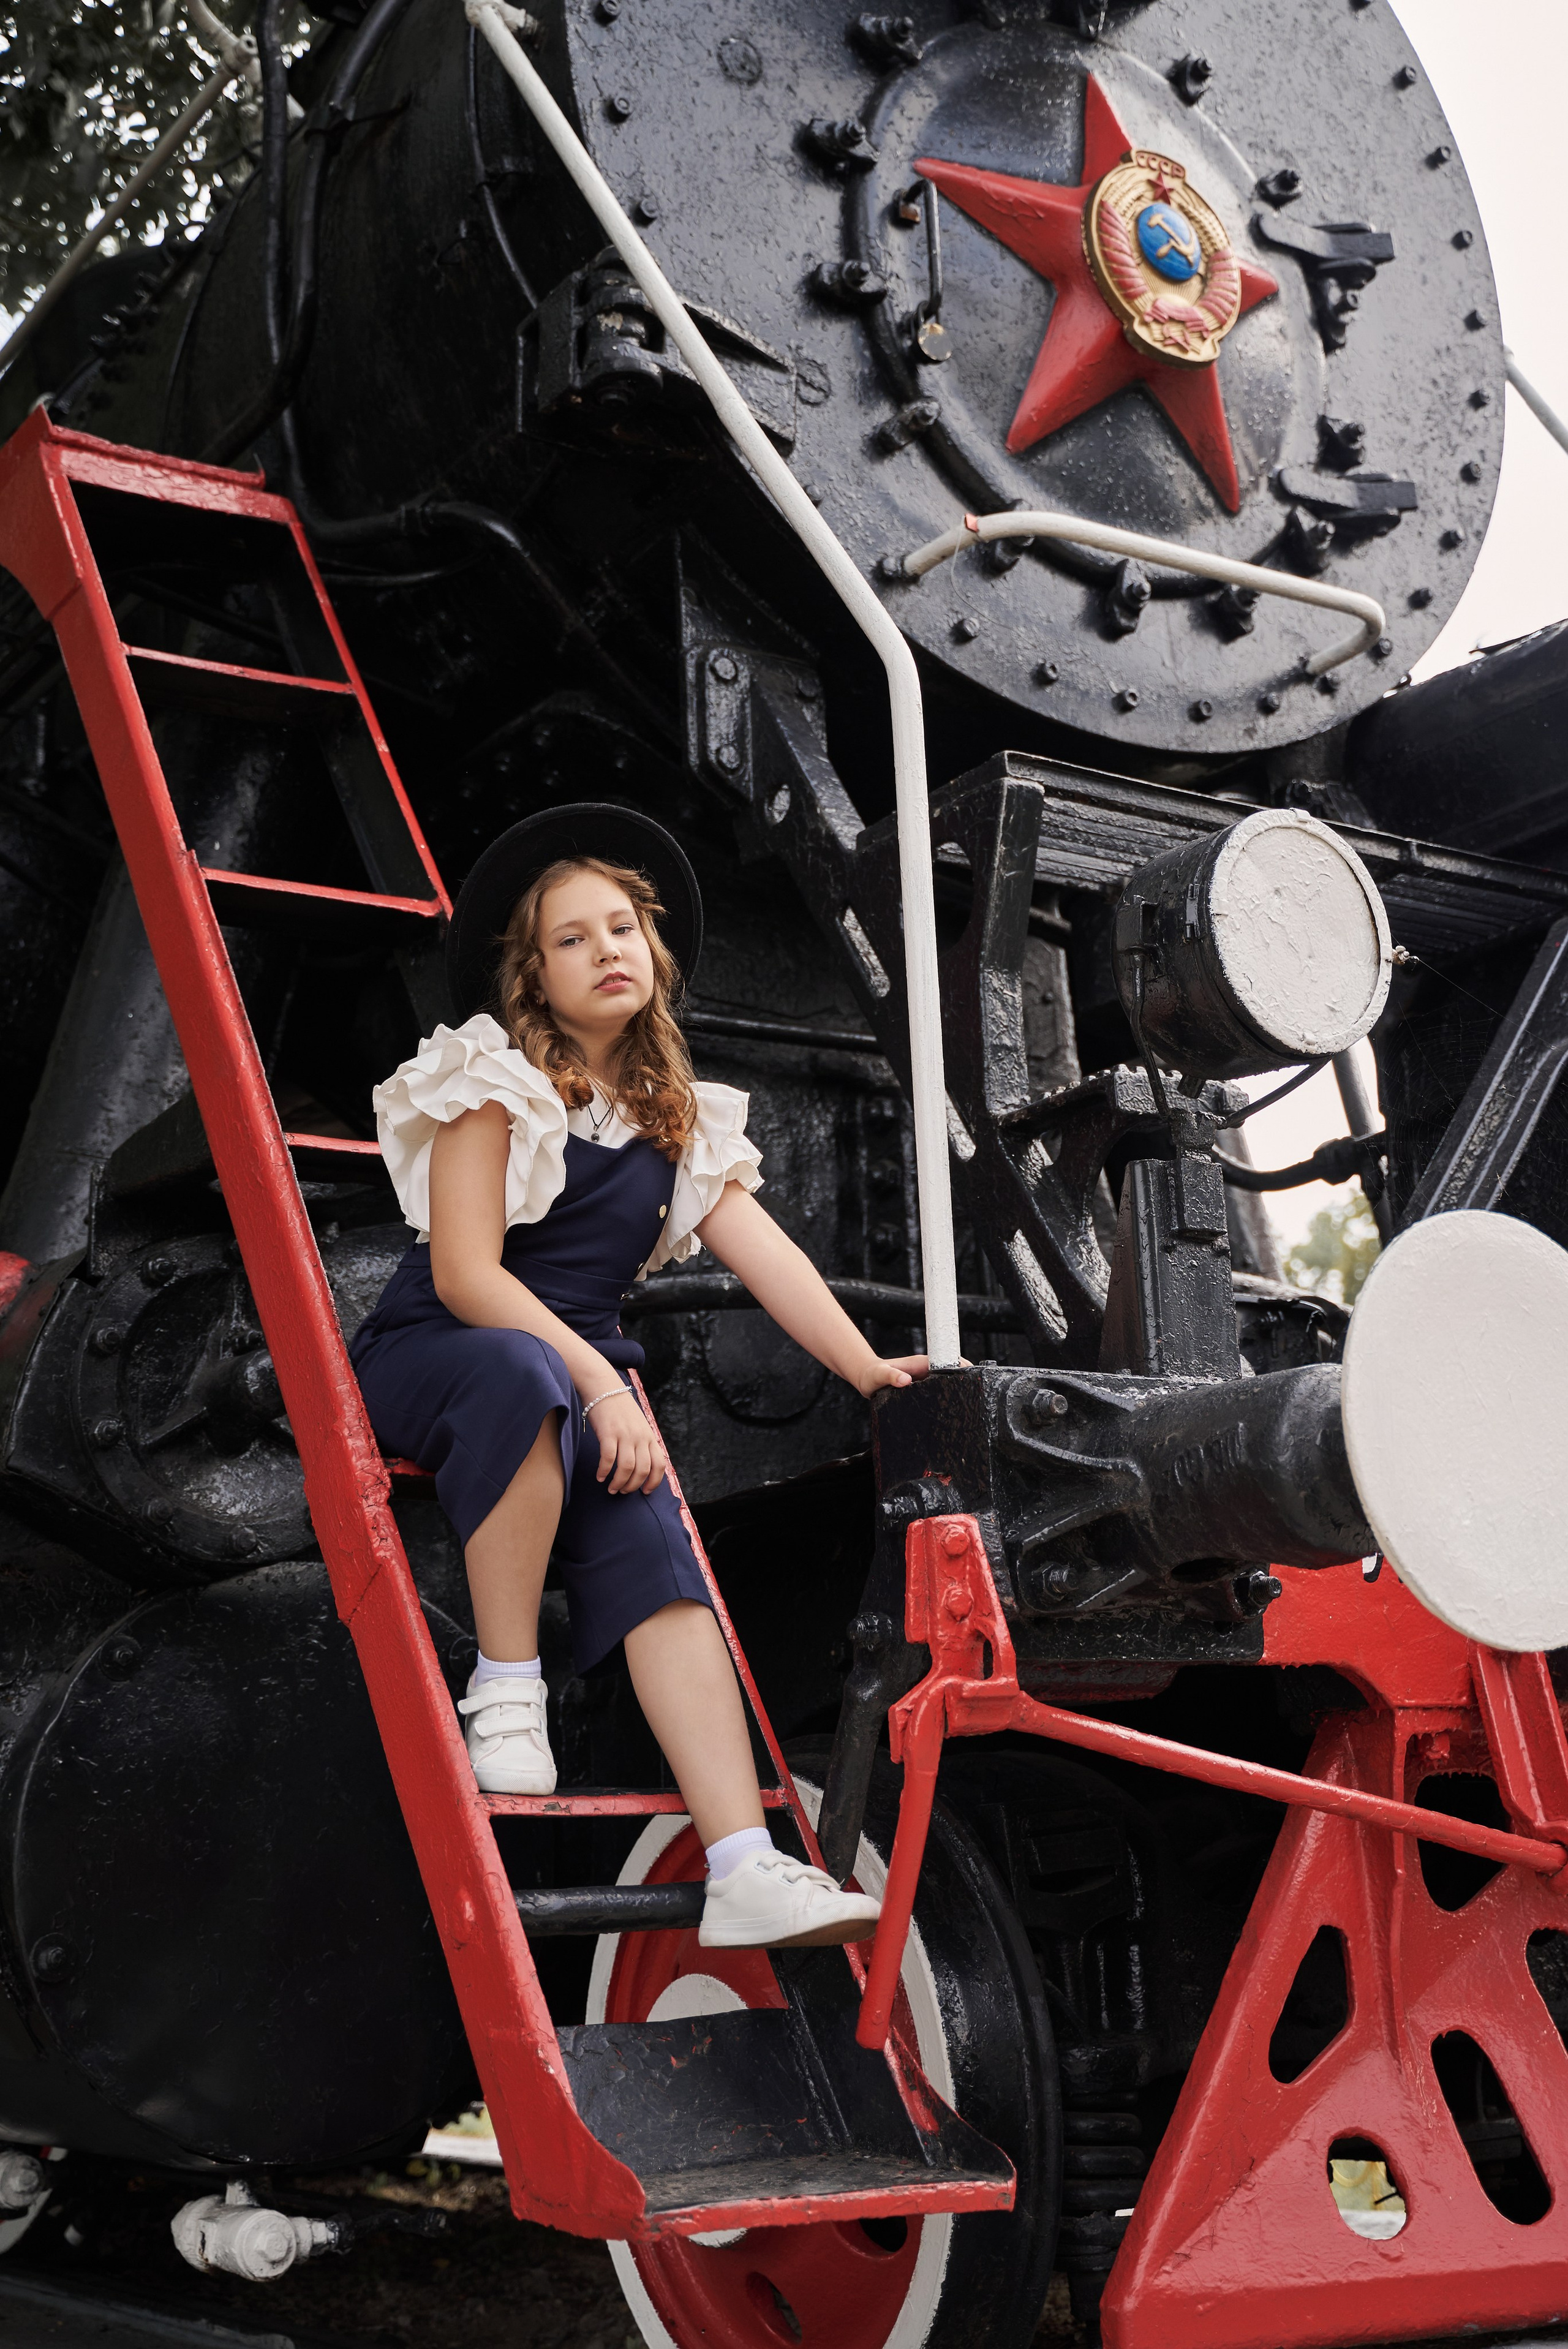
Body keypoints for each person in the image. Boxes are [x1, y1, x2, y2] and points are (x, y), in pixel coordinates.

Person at [350, 806, 929, 1950]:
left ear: (653, 955)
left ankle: (742, 1863)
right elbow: (468, 1276)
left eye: (622, 928)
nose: (607, 948)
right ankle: (507, 1686)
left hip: (575, 1375)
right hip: (443, 1351)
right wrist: (604, 1387)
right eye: (572, 938)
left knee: (662, 1558)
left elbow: (775, 1263)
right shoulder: (490, 1080)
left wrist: (871, 1372)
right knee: (530, 1378)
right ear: (533, 975)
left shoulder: (679, 1124)